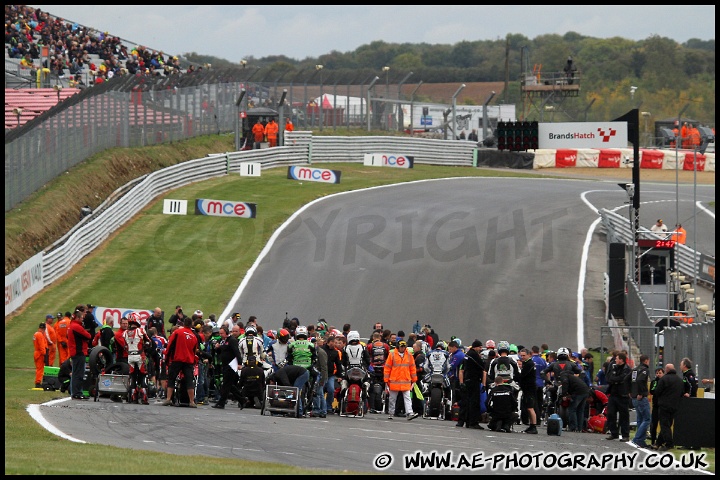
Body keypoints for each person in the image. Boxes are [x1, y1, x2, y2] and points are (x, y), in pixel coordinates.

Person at [163, 316, 199, 407]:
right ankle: (191, 401)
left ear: (183, 324)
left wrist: (167, 358)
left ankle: (168, 399)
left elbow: (170, 345)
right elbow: (194, 351)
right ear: (191, 325)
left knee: (171, 378)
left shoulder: (177, 332)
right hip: (188, 361)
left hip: (177, 359)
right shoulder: (194, 336)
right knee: (189, 381)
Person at [651, 363, 685, 451]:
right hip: (675, 406)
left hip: (664, 405)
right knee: (668, 424)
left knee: (664, 425)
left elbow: (657, 392)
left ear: (666, 370)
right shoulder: (679, 380)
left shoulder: (664, 379)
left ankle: (669, 443)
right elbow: (682, 393)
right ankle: (658, 443)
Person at [384, 340, 419, 421]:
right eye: (401, 346)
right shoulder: (392, 354)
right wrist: (386, 380)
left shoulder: (409, 355)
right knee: (392, 398)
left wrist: (414, 379)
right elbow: (387, 368)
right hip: (394, 381)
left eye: (404, 346)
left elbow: (412, 368)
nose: (403, 348)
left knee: (407, 397)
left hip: (405, 380)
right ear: (398, 346)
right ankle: (391, 412)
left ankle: (410, 413)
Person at [212, 325, 242, 409]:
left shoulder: (232, 340)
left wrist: (239, 363)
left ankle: (221, 403)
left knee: (226, 384)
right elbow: (220, 352)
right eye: (220, 333)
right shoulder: (223, 341)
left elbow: (237, 352)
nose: (220, 335)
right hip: (225, 365)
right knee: (229, 385)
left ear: (226, 333)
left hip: (231, 365)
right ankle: (242, 400)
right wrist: (217, 348)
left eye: (222, 333)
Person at [124, 313, 152, 404]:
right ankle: (144, 396)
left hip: (130, 356)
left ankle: (133, 396)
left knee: (132, 376)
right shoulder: (140, 330)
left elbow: (125, 346)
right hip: (140, 356)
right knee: (143, 375)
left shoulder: (125, 333)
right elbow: (149, 341)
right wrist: (145, 346)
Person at [459, 340, 487, 430]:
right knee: (474, 402)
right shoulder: (473, 355)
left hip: (468, 380)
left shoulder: (467, 355)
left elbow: (462, 369)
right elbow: (482, 366)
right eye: (480, 347)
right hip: (473, 381)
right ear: (475, 347)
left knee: (468, 401)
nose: (481, 349)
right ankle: (473, 422)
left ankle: (466, 421)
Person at [605, 352, 632, 442]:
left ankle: (625, 435)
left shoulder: (627, 369)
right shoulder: (613, 367)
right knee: (610, 414)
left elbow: (622, 379)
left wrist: (615, 380)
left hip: (623, 395)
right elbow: (609, 378)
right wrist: (615, 380)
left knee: (624, 416)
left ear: (621, 360)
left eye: (617, 358)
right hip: (613, 394)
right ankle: (614, 433)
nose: (615, 360)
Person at [68, 305, 92, 399]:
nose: (83, 319)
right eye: (81, 317)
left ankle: (76, 392)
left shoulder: (72, 326)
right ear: (77, 317)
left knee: (76, 373)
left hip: (76, 352)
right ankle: (77, 393)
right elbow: (88, 336)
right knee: (78, 374)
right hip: (79, 353)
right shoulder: (76, 327)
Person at [630, 354, 651, 448]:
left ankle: (640, 440)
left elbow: (627, 379)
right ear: (646, 361)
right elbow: (640, 380)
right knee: (647, 419)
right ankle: (637, 439)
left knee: (640, 419)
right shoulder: (644, 369)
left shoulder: (634, 369)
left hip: (634, 397)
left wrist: (630, 391)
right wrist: (641, 393)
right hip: (640, 397)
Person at [367, 331, 390, 414]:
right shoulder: (386, 346)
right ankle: (386, 408)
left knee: (372, 389)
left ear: (373, 338)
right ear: (380, 338)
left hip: (373, 369)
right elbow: (388, 357)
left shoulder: (370, 346)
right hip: (383, 369)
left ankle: (372, 407)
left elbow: (367, 357)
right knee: (386, 388)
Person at [517, 348, 538, 433]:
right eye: (521, 355)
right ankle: (531, 425)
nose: (522, 357)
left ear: (529, 355)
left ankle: (534, 426)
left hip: (530, 389)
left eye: (524, 355)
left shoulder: (529, 364)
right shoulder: (526, 363)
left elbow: (522, 375)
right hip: (526, 389)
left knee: (530, 408)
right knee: (527, 407)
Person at [311, 335, 328, 417]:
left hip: (320, 375)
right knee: (319, 393)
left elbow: (324, 367)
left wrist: (322, 380)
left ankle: (319, 410)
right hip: (318, 375)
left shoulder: (320, 353)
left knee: (318, 393)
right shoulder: (315, 351)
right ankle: (321, 410)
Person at [530, 345, 548, 424]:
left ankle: (535, 418)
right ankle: (539, 416)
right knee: (540, 402)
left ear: (532, 351)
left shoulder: (531, 360)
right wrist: (547, 382)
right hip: (541, 384)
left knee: (534, 402)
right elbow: (546, 372)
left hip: (533, 383)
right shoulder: (543, 360)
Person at [648, 366, 664, 447]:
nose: (658, 375)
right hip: (656, 406)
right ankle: (653, 440)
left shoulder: (665, 381)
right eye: (657, 373)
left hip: (662, 406)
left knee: (663, 424)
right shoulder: (654, 382)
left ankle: (661, 441)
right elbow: (652, 391)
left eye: (660, 373)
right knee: (654, 424)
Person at [33, 323, 48, 388]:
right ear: (44, 328)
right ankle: (38, 382)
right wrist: (45, 354)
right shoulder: (40, 335)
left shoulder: (35, 334)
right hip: (40, 354)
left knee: (38, 368)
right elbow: (42, 346)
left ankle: (38, 381)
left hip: (36, 353)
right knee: (40, 369)